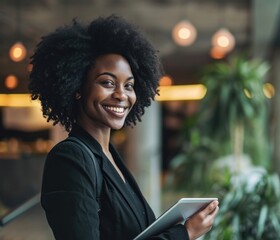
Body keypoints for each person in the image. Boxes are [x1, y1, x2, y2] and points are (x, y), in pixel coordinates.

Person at [28, 15, 219, 240]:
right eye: (107, 82)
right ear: (77, 87)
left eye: (129, 85)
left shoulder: (110, 156)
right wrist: (184, 233)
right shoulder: (70, 158)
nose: (121, 95)